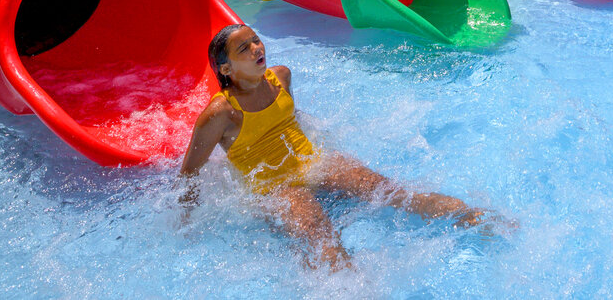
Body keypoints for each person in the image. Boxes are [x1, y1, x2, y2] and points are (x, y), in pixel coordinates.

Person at [179, 24, 496, 270]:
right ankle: (348, 286)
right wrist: (187, 222)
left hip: (312, 163)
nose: (256, 48)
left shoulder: (281, 77)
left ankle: (476, 217)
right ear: (225, 69)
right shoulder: (221, 113)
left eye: (256, 40)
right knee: (319, 235)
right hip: (275, 187)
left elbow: (289, 123)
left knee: (390, 190)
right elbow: (190, 172)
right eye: (244, 48)